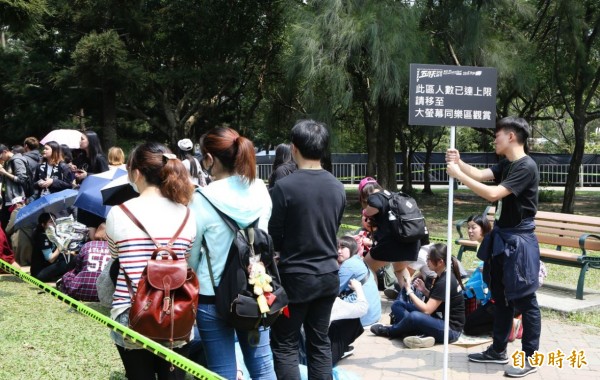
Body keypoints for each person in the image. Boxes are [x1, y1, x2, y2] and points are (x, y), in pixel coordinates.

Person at [446, 116, 542, 378]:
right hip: (502, 238)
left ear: (511, 136)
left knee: (525, 301)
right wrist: (460, 162)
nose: (494, 139)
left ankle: (530, 358)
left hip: (518, 243)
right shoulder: (507, 164)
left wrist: (457, 176)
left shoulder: (526, 166)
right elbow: (480, 174)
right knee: (500, 298)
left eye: (497, 135)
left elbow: (492, 194)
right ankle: (498, 350)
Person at [187, 127, 275, 379]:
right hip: (254, 290)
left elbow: (192, 254)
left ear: (210, 159)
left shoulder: (202, 198)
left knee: (222, 371)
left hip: (211, 295)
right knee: (263, 367)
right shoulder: (260, 189)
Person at [105, 142, 196, 380]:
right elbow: (184, 259)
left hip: (131, 317)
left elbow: (116, 260)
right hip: (178, 316)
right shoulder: (188, 213)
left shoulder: (119, 212)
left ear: (136, 172)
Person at [269, 119, 346, 380]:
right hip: (328, 275)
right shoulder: (337, 187)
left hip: (296, 279)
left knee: (285, 344)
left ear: (294, 148)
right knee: (319, 341)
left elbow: (274, 236)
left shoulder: (284, 188)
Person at [370, 243, 465, 349]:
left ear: (440, 262)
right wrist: (424, 290)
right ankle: (413, 332)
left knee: (415, 316)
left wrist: (409, 291)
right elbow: (439, 300)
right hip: (437, 319)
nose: (426, 261)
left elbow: (427, 310)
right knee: (398, 305)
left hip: (450, 330)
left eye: (429, 259)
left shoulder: (445, 280)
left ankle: (391, 331)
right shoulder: (442, 275)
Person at [358, 176, 421, 292]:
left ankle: (373, 301)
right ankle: (409, 298)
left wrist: (365, 211)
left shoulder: (375, 197)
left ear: (364, 193)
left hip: (393, 242)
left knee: (366, 266)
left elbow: (372, 208)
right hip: (411, 239)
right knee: (399, 269)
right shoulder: (393, 195)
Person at [58, 223, 110, 302]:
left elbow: (78, 268)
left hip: (80, 292)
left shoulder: (87, 245)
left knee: (69, 274)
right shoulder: (115, 249)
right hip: (104, 295)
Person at [337, 236, 381, 327]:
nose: (338, 251)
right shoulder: (359, 260)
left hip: (362, 318)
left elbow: (333, 291)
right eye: (337, 248)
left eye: (342, 247)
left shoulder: (348, 265)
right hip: (374, 315)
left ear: (352, 249)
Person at [73, 131, 109, 238]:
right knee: (85, 228)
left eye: (83, 139)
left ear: (91, 141)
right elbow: (81, 175)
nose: (80, 141)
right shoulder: (81, 157)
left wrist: (87, 175)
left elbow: (106, 177)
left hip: (96, 199)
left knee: (93, 229)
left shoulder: (99, 158)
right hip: (84, 196)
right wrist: (76, 174)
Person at [30, 213, 74, 282]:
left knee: (71, 257)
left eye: (54, 221)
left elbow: (62, 252)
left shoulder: (53, 235)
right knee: (70, 261)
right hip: (39, 274)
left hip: (48, 268)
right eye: (51, 221)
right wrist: (61, 243)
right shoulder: (42, 237)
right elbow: (50, 259)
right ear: (43, 225)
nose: (54, 223)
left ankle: (60, 277)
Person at [0, 144, 30, 229]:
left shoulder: (17, 160)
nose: (1, 159)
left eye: (1, 157)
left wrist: (5, 173)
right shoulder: (8, 161)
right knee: (5, 224)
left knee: (11, 226)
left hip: (16, 199)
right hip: (8, 199)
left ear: (5, 152)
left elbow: (22, 179)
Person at [5, 196, 34, 266]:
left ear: (17, 204)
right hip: (30, 240)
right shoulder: (32, 211)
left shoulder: (16, 212)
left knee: (20, 265)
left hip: (19, 242)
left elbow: (8, 229)